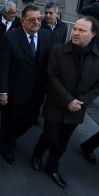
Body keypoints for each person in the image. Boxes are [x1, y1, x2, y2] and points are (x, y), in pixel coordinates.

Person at [32, 16, 99, 188]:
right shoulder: (58, 50)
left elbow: (97, 86)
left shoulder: (97, 57)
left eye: (81, 30)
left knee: (62, 141)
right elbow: (51, 76)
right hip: (56, 104)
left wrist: (80, 102)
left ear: (93, 34)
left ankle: (52, 167)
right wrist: (68, 99)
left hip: (78, 108)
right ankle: (37, 154)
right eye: (75, 28)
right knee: (49, 137)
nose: (75, 32)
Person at [0, 4, 51, 165]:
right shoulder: (10, 38)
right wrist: (3, 92)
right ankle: (6, 146)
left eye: (39, 19)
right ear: (23, 21)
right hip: (14, 90)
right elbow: (3, 67)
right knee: (10, 121)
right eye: (32, 19)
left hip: (36, 90)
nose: (36, 22)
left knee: (29, 120)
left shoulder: (47, 35)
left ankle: (12, 136)